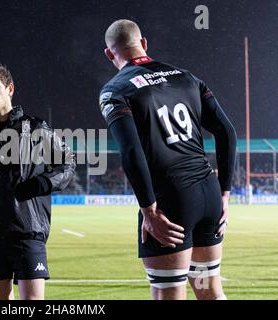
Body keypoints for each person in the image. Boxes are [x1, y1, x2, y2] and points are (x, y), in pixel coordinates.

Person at [99, 20, 237, 300]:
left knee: (169, 293)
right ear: (144, 43)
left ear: (109, 54)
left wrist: (149, 210)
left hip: (170, 200)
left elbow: (130, 151)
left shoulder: (115, 90)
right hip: (208, 192)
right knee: (209, 289)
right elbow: (227, 132)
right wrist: (224, 192)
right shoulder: (186, 77)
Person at [0, 61, 75, 300]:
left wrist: (44, 183)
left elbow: (67, 163)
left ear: (10, 89)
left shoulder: (36, 128)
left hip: (27, 228)